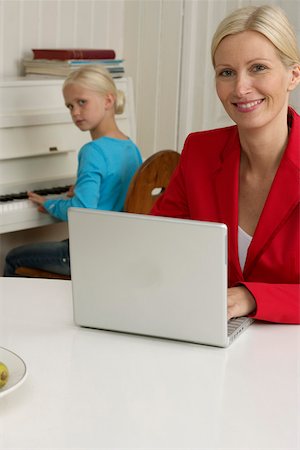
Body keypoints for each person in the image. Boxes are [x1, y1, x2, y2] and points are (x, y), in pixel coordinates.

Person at [151, 5, 300, 324]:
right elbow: (157, 245)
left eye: (258, 67)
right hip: (211, 339)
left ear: (293, 75)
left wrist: (252, 296)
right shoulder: (200, 152)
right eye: (226, 72)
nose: (240, 88)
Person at [4, 65, 142, 277]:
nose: (75, 112)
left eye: (82, 102)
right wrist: (82, 190)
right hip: (116, 247)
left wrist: (50, 204)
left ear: (108, 100)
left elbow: (81, 209)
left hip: (88, 252)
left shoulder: (93, 151)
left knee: (12, 258)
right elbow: (119, 191)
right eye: (69, 106)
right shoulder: (130, 147)